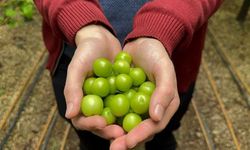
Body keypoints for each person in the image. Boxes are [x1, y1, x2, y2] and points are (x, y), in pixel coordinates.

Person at [34, 0, 222, 149]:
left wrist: (164, 24)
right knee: (90, 134)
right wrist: (76, 14)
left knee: (162, 129)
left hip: (172, 60)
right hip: (77, 51)